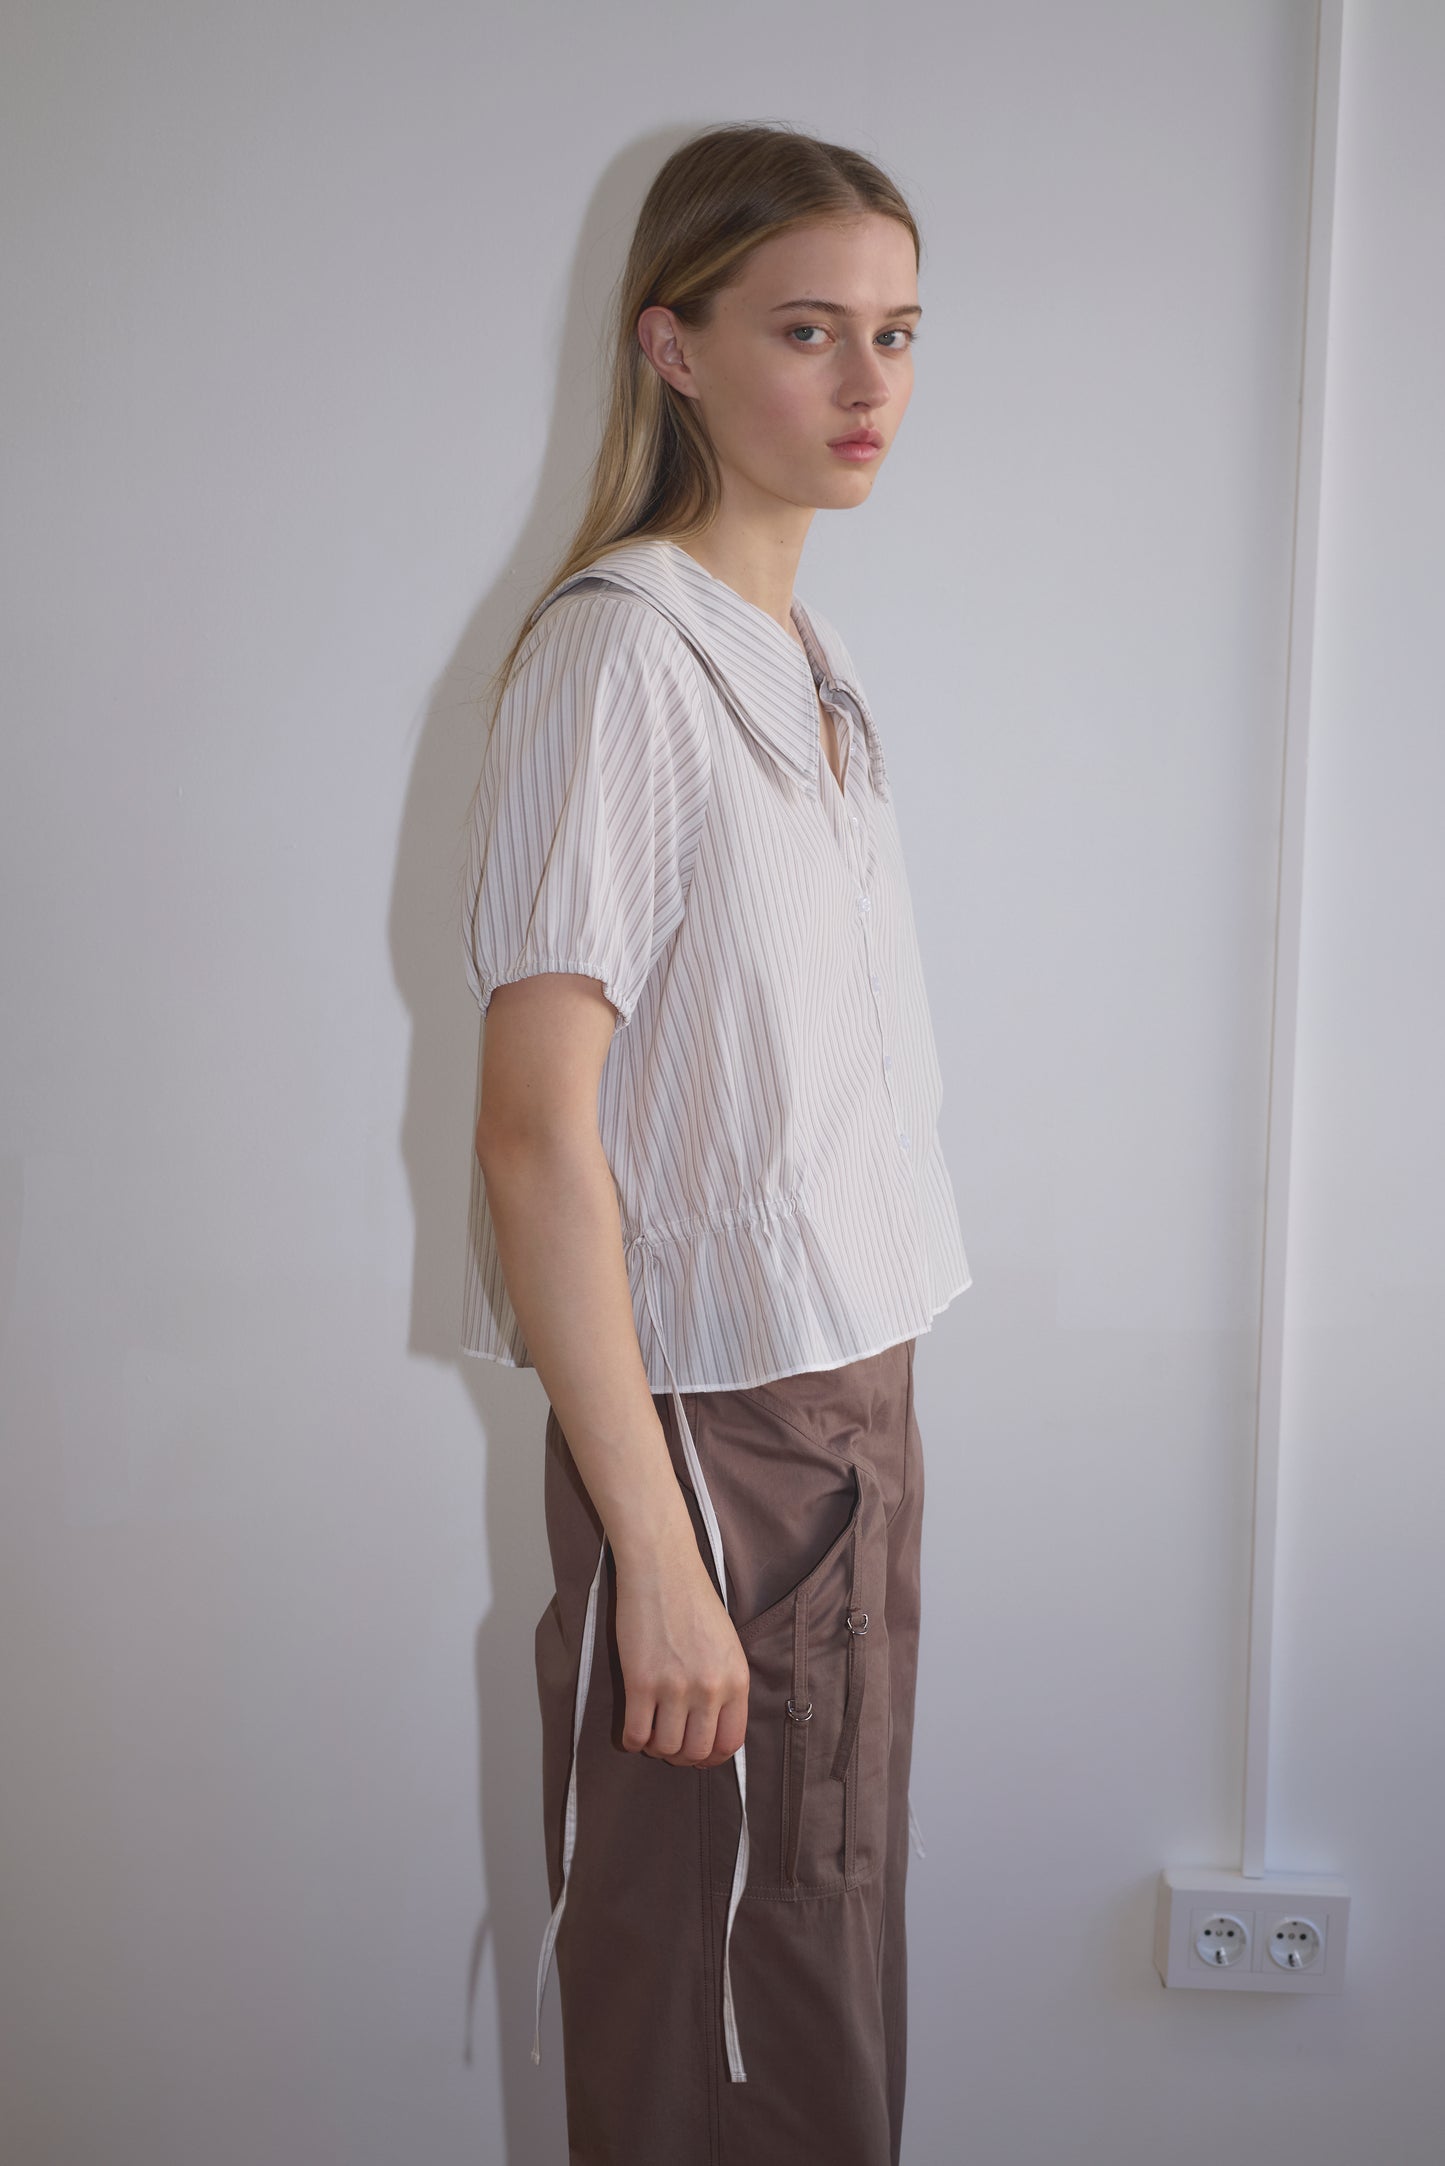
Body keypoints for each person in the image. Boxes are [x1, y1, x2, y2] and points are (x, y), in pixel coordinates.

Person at [457, 120, 972, 2166]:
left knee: (814, 1995)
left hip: (848, 1417)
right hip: (719, 1449)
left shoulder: (802, 662)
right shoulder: (623, 660)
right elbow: (531, 1142)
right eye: (808, 332)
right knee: (712, 2025)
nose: (867, 389)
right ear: (672, 349)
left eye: (900, 334)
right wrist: (660, 1564)